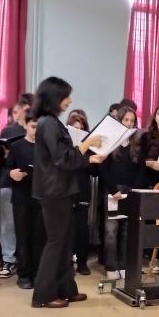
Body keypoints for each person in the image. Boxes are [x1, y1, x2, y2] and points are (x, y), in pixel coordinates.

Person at [30, 77, 104, 309]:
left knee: (64, 242)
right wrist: (87, 143)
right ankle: (43, 295)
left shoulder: (51, 122)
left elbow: (66, 158)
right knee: (56, 242)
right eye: (65, 96)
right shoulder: (49, 123)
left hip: (60, 189)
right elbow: (63, 159)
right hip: (54, 191)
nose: (69, 101)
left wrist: (89, 158)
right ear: (55, 97)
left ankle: (66, 289)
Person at [0, 94, 34, 280]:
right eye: (20, 111)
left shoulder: (40, 133)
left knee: (29, 225)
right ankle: (8, 259)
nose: (23, 114)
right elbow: (1, 161)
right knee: (8, 223)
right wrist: (6, 154)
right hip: (9, 182)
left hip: (32, 184)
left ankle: (27, 260)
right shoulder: (8, 131)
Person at [99, 106, 139, 281]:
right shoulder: (110, 142)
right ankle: (111, 266)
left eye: (132, 121)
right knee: (111, 231)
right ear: (119, 121)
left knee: (126, 231)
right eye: (126, 120)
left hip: (130, 192)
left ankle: (123, 265)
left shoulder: (136, 145)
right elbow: (103, 169)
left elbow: (139, 170)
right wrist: (113, 189)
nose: (129, 123)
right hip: (112, 191)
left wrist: (133, 190)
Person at [7, 111, 44, 289]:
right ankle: (23, 274)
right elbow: (6, 169)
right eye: (33, 127)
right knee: (23, 236)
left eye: (40, 128)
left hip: (41, 197)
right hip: (21, 197)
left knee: (39, 237)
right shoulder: (17, 146)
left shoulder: (46, 148)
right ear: (26, 126)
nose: (36, 131)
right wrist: (12, 173)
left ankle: (37, 274)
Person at [66, 109, 94, 275]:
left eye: (81, 129)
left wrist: (93, 159)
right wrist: (85, 159)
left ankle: (82, 262)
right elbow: (67, 163)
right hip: (67, 190)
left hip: (83, 189)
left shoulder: (89, 146)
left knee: (82, 229)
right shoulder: (64, 145)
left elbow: (93, 170)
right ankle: (67, 262)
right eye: (75, 128)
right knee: (67, 229)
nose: (78, 131)